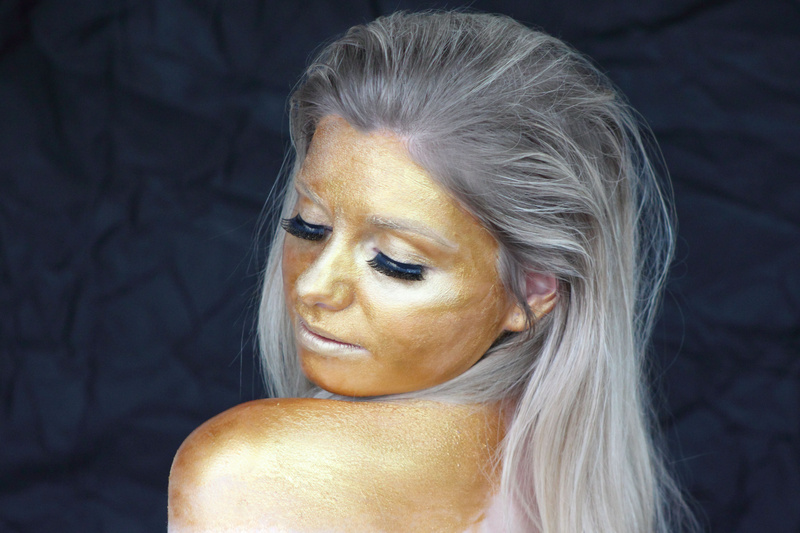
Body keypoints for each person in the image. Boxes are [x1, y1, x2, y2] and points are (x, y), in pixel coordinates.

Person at [168, 11, 695, 532]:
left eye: (396, 263)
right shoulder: (563, 484)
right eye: (309, 226)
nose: (313, 286)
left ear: (532, 291)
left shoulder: (248, 473)